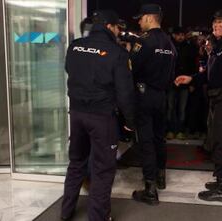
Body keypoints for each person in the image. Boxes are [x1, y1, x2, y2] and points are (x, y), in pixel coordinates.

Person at [61, 10, 135, 221]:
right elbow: (125, 93)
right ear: (110, 26)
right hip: (102, 118)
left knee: (76, 163)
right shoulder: (117, 52)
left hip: (76, 114)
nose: (119, 31)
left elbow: (70, 70)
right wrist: (130, 122)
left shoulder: (75, 46)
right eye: (117, 27)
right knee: (103, 170)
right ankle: (98, 218)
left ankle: (65, 213)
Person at [175, 10, 222, 202]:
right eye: (215, 23)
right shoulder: (218, 46)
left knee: (221, 142)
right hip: (217, 97)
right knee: (217, 141)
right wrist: (191, 78)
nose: (216, 25)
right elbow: (208, 74)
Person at [130, 4, 176, 205]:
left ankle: (150, 189)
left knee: (146, 140)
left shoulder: (143, 41)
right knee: (159, 138)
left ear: (149, 18)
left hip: (144, 95)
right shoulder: (170, 43)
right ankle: (160, 177)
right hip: (162, 96)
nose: (139, 22)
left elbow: (131, 68)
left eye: (140, 18)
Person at [166, 26, 198, 140]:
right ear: (174, 35)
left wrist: (192, 83)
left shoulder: (190, 47)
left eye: (182, 34)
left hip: (185, 83)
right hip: (171, 83)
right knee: (170, 107)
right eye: (178, 34)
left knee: (182, 108)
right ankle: (170, 130)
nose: (180, 37)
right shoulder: (168, 46)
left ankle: (180, 130)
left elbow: (193, 66)